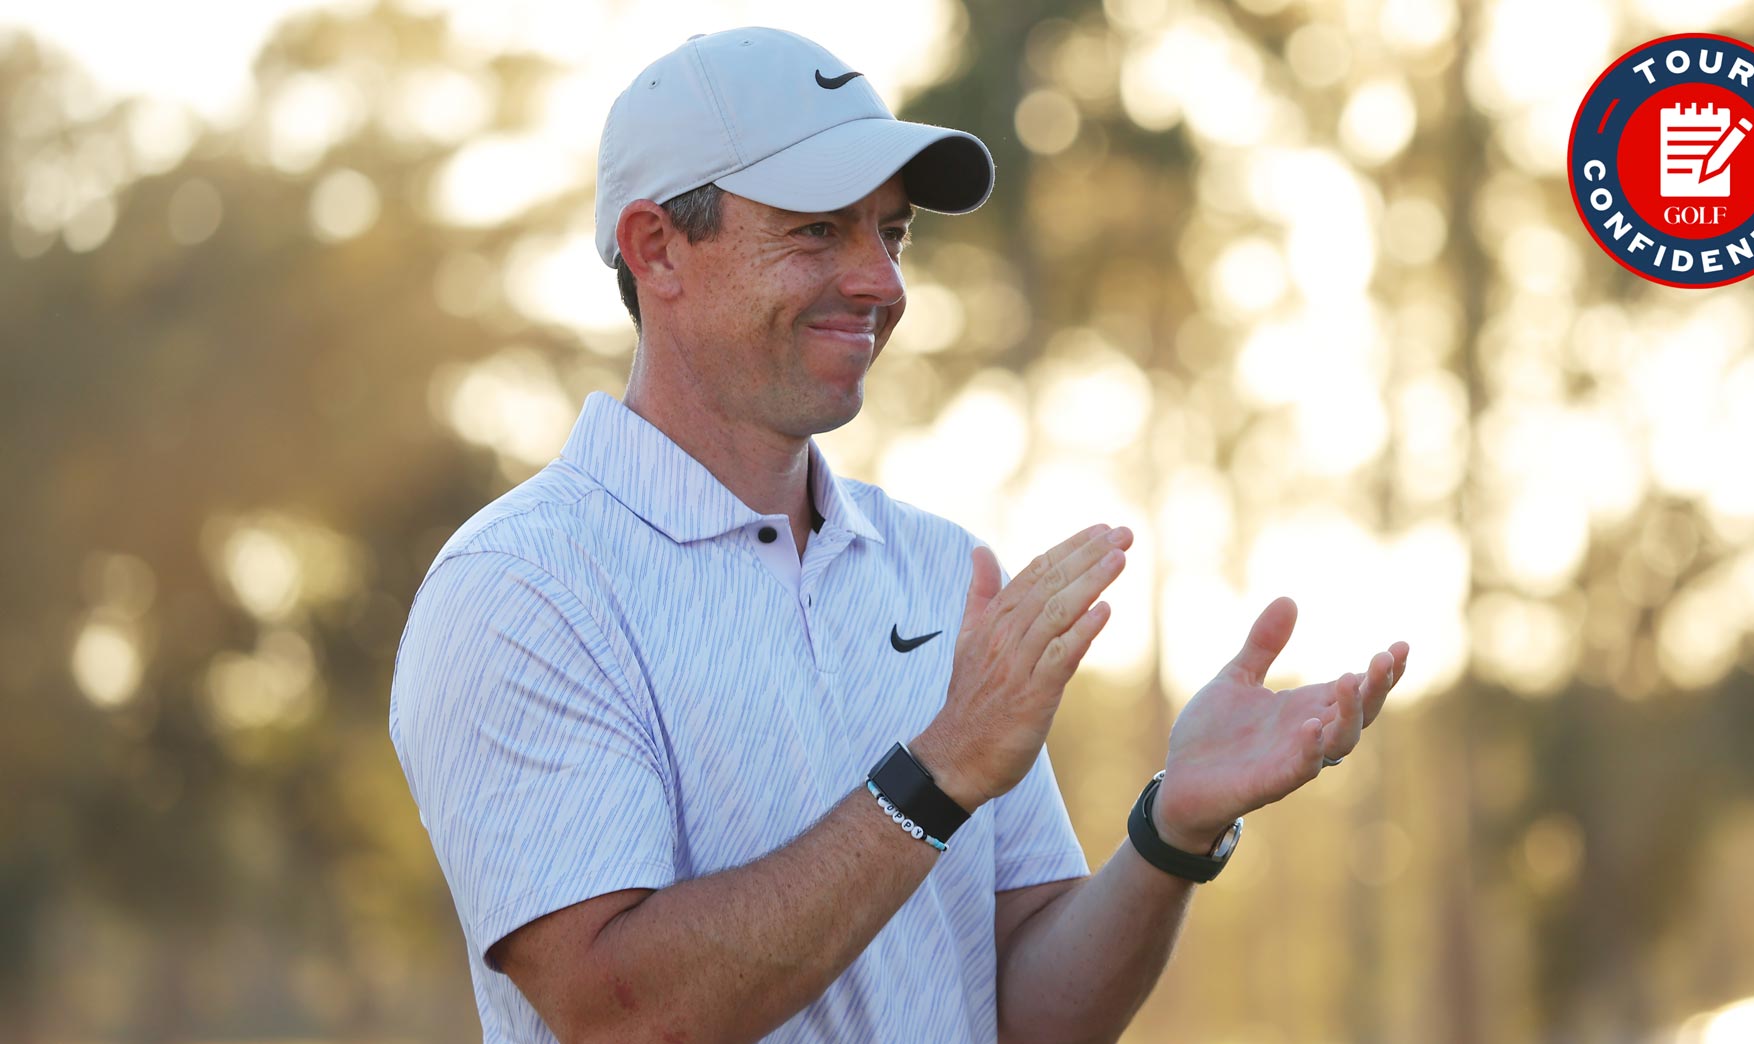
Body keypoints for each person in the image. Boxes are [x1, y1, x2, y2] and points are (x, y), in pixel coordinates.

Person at [388, 25, 1410, 1044]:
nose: (882, 283)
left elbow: (1026, 1014)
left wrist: (1169, 832)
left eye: (891, 232)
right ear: (657, 247)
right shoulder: (520, 588)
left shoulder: (937, 571)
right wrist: (938, 771)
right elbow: (623, 1017)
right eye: (817, 231)